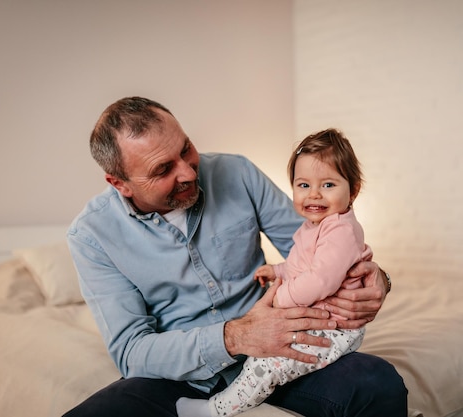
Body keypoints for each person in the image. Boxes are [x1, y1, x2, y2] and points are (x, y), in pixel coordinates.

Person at [64, 96, 408, 417]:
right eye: (163, 169)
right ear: (119, 183)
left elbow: (317, 248)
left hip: (279, 348)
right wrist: (236, 336)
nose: (187, 172)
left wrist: (378, 278)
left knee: (377, 383)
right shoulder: (92, 235)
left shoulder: (237, 173)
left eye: (186, 149)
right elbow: (132, 353)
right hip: (180, 374)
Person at [177, 128, 375, 417]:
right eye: (303, 185)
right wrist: (277, 270)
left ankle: (217, 410)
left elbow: (320, 281)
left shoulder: (340, 231)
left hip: (336, 327)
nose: (314, 194)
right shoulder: (316, 224)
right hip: (319, 315)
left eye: (329, 184)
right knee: (262, 356)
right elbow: (304, 264)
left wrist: (280, 298)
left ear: (353, 190)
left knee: (268, 365)